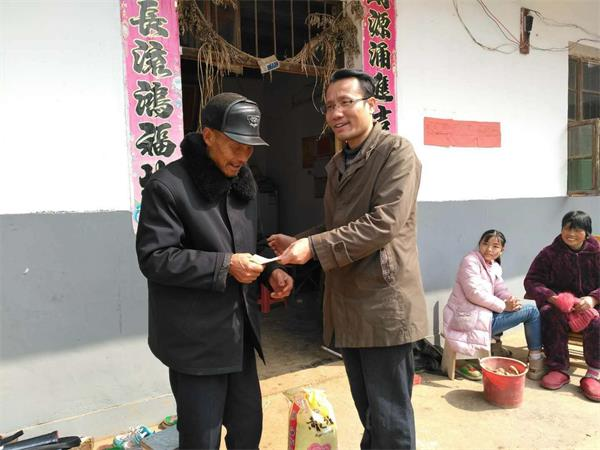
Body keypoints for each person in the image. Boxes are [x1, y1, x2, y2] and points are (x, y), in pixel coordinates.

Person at [268, 69, 428, 450]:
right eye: (329, 106)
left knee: (391, 417)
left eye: (345, 102)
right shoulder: (338, 163)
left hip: (383, 305)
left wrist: (314, 248)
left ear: (371, 105)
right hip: (348, 306)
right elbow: (337, 226)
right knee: (369, 410)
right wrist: (301, 241)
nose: (336, 113)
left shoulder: (396, 152)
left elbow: (383, 223)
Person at [135, 93, 293, 449]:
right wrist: (226, 265)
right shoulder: (167, 186)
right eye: (235, 146)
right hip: (195, 343)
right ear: (208, 135)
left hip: (239, 337)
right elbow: (155, 257)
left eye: (250, 148)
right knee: (201, 440)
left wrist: (272, 271)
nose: (243, 157)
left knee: (248, 432)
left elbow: (254, 241)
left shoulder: (243, 183)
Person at [443, 230, 544, 381]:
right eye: (485, 244)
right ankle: (536, 359)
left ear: (502, 250)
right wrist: (504, 306)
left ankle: (496, 346)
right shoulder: (470, 261)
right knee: (532, 311)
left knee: (520, 307)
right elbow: (474, 293)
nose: (489, 249)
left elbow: (500, 289)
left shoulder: (493, 266)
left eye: (495, 246)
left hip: (482, 316)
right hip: (468, 320)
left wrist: (510, 300)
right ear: (479, 244)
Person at [524, 210, 600, 402]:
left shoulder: (597, 253)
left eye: (577, 230)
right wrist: (551, 297)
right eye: (567, 228)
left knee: (597, 322)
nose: (570, 234)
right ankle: (558, 368)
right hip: (559, 305)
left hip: (592, 304)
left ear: (587, 233)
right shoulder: (549, 253)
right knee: (549, 314)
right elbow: (532, 281)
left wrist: (593, 299)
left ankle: (593, 373)